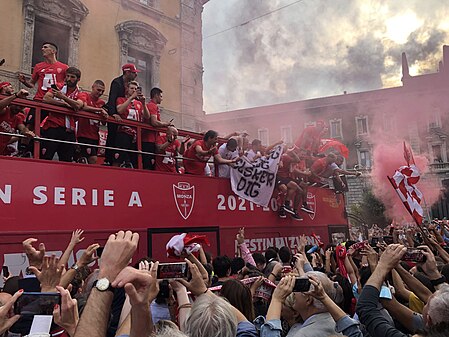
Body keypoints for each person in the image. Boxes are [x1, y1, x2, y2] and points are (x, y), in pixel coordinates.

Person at [17, 42, 68, 127]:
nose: (42, 49)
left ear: (53, 51)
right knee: (29, 126)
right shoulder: (38, 66)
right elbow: (32, 84)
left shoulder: (64, 67)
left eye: (45, 47)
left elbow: (68, 83)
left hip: (54, 102)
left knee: (54, 127)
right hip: (39, 100)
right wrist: (24, 81)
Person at [41, 66, 84, 161]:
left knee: (66, 161)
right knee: (45, 158)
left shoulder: (80, 93)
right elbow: (46, 98)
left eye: (72, 77)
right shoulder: (58, 86)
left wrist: (63, 97)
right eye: (67, 76)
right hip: (52, 127)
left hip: (68, 131)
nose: (69, 79)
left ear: (78, 79)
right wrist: (64, 104)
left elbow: (78, 105)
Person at [104, 63, 140, 165]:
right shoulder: (117, 82)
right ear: (127, 72)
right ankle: (108, 158)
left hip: (124, 113)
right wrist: (113, 113)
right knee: (112, 134)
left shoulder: (128, 84)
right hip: (116, 111)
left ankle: (123, 159)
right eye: (134, 73)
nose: (135, 75)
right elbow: (112, 99)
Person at [113, 81, 149, 168]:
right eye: (132, 88)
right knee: (118, 158)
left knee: (135, 161)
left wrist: (144, 104)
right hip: (124, 133)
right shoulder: (121, 99)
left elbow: (147, 116)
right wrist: (131, 98)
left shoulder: (139, 104)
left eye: (136, 89)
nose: (134, 90)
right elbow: (120, 110)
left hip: (135, 136)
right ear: (127, 89)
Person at [76, 80, 109, 164]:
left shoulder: (102, 103)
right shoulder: (85, 95)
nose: (100, 93)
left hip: (95, 135)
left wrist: (105, 116)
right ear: (93, 87)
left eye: (102, 91)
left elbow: (104, 122)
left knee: (91, 159)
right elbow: (83, 107)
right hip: (84, 134)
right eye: (98, 90)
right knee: (91, 158)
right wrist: (99, 110)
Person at [0, 83, 34, 155]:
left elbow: (23, 128)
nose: (18, 108)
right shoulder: (5, 111)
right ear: (12, 103)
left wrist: (27, 132)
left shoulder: (17, 118)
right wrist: (16, 96)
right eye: (17, 105)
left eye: (21, 107)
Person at [142, 87, 172, 170]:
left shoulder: (151, 106)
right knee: (148, 164)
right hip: (149, 140)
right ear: (156, 95)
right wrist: (166, 124)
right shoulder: (152, 106)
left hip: (150, 139)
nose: (162, 99)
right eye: (161, 96)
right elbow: (154, 122)